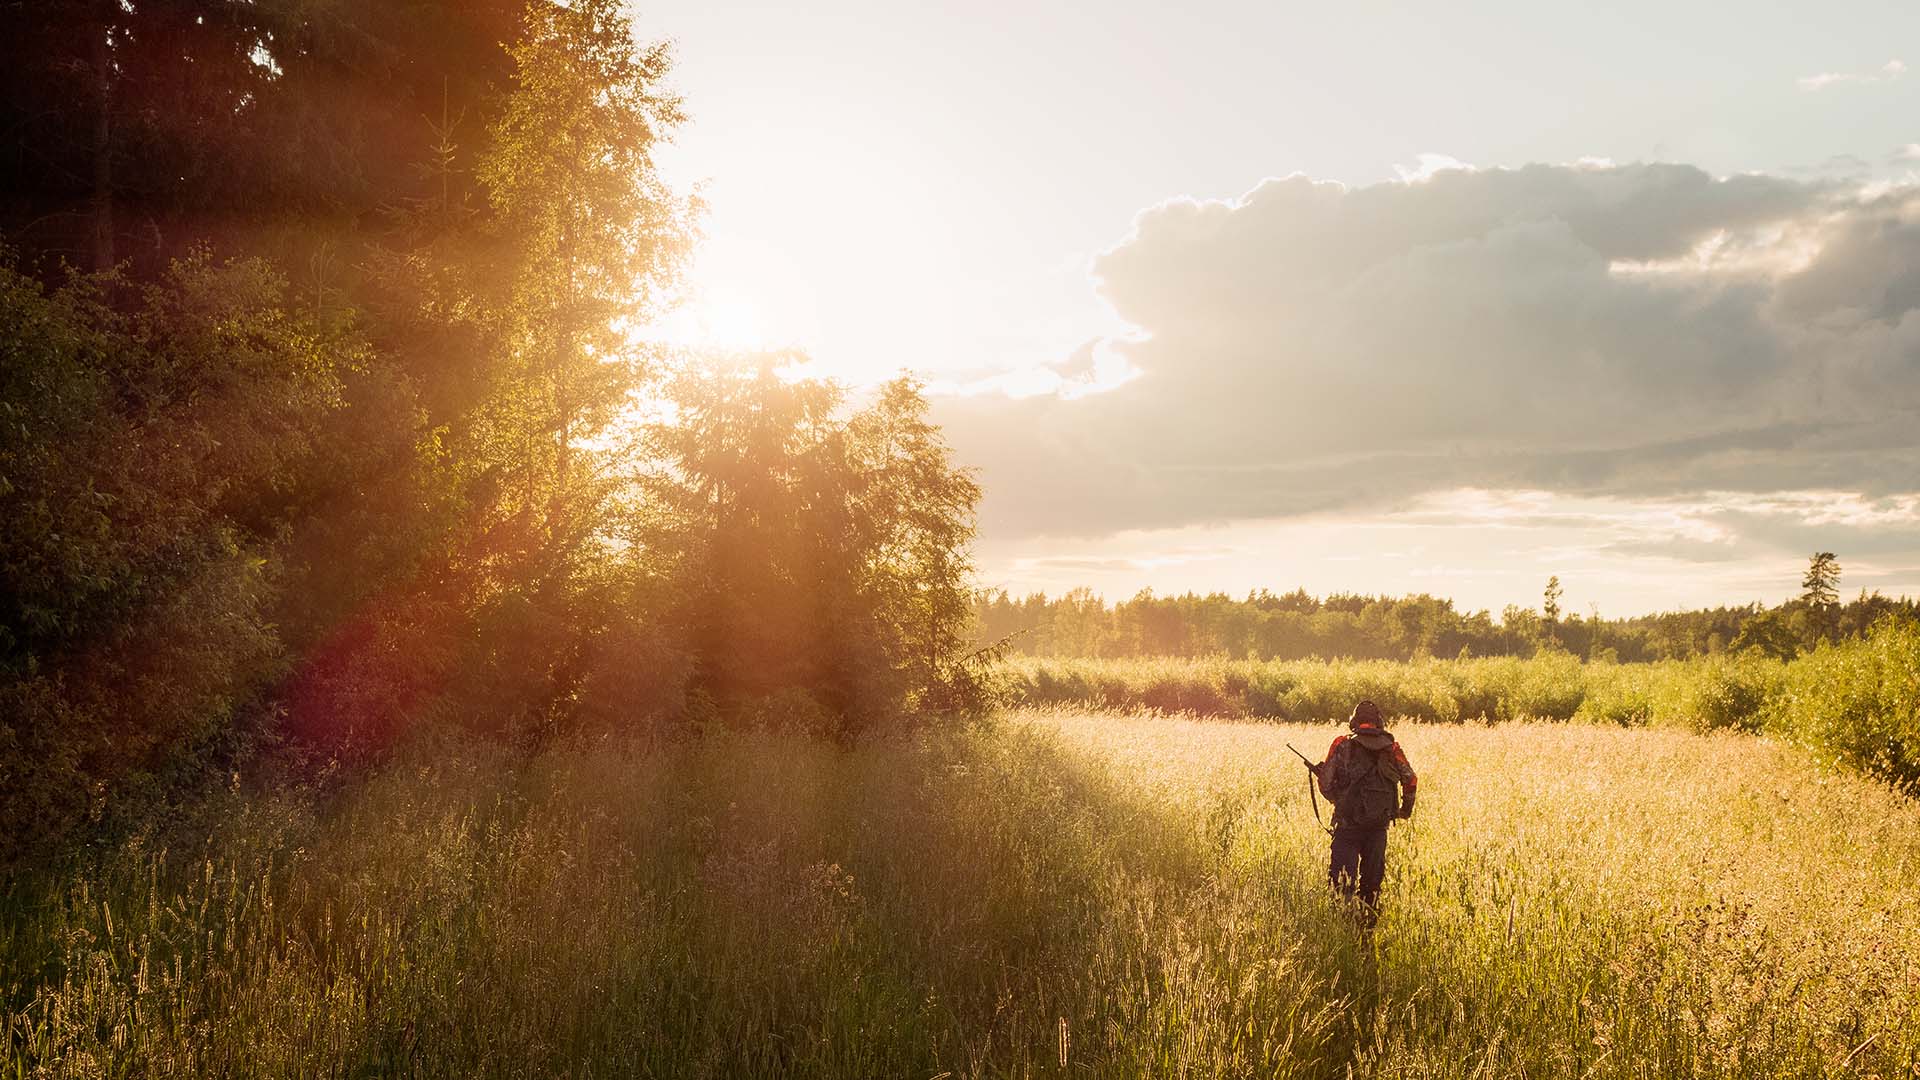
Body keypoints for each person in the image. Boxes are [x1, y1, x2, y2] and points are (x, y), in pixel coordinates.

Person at [1314, 700, 1417, 927]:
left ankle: (1342, 934)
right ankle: (1366, 935)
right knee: (1372, 887)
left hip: (1347, 827)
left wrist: (1336, 799)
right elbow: (1411, 780)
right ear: (1379, 722)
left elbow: (1325, 783)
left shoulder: (1342, 744)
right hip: (1378, 828)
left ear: (1355, 722)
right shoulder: (1392, 748)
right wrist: (1404, 811)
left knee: (1342, 887)